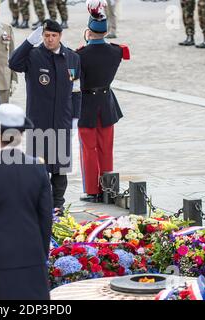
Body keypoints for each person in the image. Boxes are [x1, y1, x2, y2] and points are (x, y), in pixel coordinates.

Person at [0, 103, 53, 300]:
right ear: (21, 135)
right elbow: (45, 220)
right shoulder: (38, 168)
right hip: (32, 258)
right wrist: (41, 255)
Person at [9, 19, 81, 214]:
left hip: (62, 122)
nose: (50, 40)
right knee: (38, 168)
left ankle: (58, 204)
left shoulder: (72, 58)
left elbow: (76, 91)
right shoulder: (33, 55)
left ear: (60, 36)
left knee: (59, 169)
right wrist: (29, 41)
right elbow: (13, 63)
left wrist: (75, 118)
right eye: (46, 36)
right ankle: (38, 204)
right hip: (38, 123)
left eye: (53, 36)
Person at [76, 6, 129, 203]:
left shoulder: (80, 55)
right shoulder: (117, 52)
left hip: (87, 104)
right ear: (106, 31)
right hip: (107, 103)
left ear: (88, 31)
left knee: (89, 149)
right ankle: (109, 189)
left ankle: (92, 190)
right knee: (107, 147)